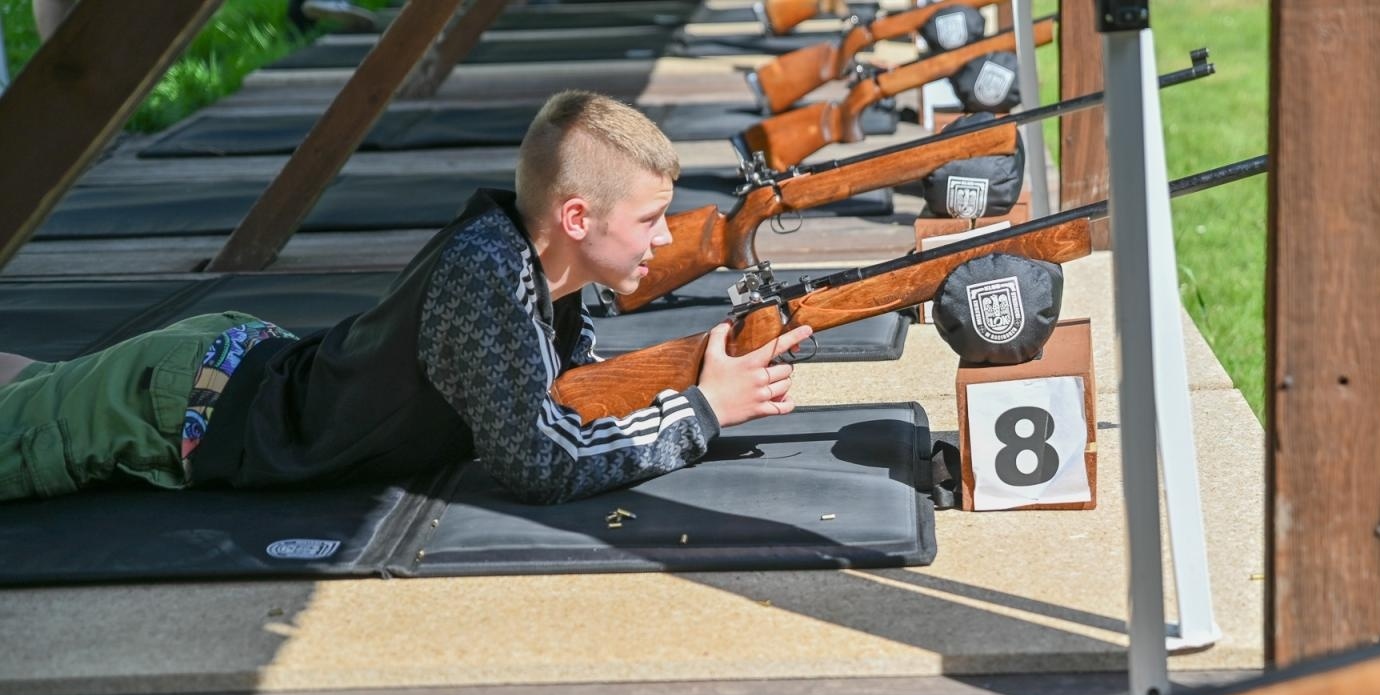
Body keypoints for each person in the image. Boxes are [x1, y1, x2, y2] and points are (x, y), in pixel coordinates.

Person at [0, 91, 809, 505]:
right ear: (575, 218)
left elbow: (566, 392)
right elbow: (540, 461)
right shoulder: (486, 275)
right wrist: (702, 409)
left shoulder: (541, 267)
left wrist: (696, 374)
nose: (666, 239)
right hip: (191, 407)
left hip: (234, 363)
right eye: (650, 218)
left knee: (34, 385)